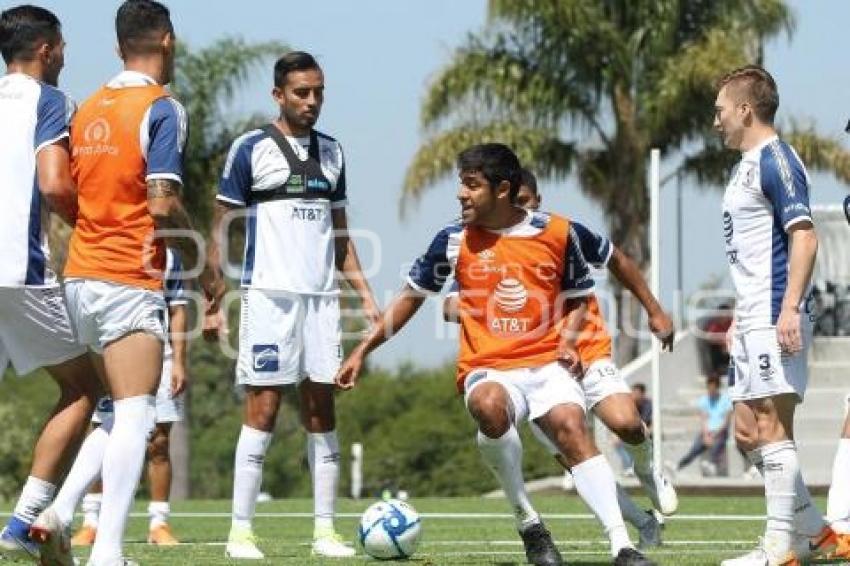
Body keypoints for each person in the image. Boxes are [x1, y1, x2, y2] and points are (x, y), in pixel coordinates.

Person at [337, 143, 655, 566]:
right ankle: (530, 524)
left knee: (572, 427)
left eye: (471, 185)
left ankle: (622, 546)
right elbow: (410, 298)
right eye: (461, 185)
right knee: (489, 406)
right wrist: (362, 350)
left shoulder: (556, 233)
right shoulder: (451, 239)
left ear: (503, 189)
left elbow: (580, 297)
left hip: (546, 364)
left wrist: (566, 343)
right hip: (488, 367)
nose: (461, 194)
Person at [30, 2, 215, 564]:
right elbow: (162, 205)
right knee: (139, 413)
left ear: (117, 48)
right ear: (167, 40)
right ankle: (107, 552)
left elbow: (57, 187)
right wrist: (205, 263)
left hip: (80, 277)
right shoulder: (161, 107)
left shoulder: (86, 108)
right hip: (129, 277)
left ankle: (58, 512)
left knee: (115, 410)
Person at [204, 51, 380, 560]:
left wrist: (365, 299)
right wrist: (213, 303)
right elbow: (220, 233)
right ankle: (240, 531)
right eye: (302, 92)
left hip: (322, 301)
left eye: (319, 91)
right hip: (268, 298)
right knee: (262, 405)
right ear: (278, 94)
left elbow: (340, 238)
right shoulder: (250, 148)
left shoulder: (333, 153)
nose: (312, 101)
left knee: (322, 409)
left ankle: (325, 531)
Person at [443, 168, 677, 548]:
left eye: (523, 203)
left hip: (584, 350)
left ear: (536, 200)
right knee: (576, 457)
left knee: (628, 423)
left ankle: (648, 471)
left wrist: (654, 309)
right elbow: (454, 299)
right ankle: (640, 525)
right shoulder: (478, 244)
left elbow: (617, 261)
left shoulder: (560, 232)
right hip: (534, 366)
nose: (516, 212)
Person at [714, 65, 834, 566]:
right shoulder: (746, 164)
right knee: (746, 432)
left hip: (774, 314)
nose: (715, 121)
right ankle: (814, 532)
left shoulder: (777, 160)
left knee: (771, 426)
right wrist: (740, 317)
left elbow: (804, 235)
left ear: (745, 108)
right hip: (753, 316)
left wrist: (787, 308)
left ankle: (778, 550)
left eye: (720, 111)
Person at [0, 5, 104, 561]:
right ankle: (21, 525)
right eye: (61, 47)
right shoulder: (52, 102)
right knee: (85, 389)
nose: (65, 56)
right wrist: (98, 224)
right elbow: (56, 183)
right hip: (19, 270)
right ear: (45, 50)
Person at [68, 248, 189, 547]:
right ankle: (91, 521)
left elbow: (178, 310)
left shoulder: (168, 256)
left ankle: (159, 523)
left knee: (159, 441)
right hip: (112, 355)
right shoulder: (104, 249)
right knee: (102, 432)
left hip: (159, 354)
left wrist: (179, 363)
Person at [674, 376, 732, 476]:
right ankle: (677, 467)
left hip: (720, 431)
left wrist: (714, 435)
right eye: (709, 388)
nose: (710, 390)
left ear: (717, 387)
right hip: (706, 432)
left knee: (718, 444)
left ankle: (711, 464)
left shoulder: (726, 399)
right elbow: (703, 420)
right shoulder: (704, 400)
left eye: (712, 388)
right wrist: (706, 435)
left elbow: (726, 422)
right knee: (694, 449)